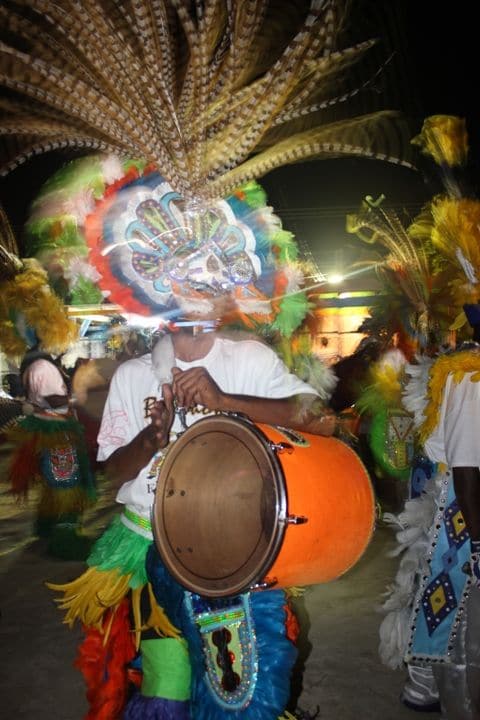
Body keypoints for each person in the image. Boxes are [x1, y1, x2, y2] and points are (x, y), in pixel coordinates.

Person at [47, 309, 340, 720]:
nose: (192, 299)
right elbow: (113, 473)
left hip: (237, 554)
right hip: (149, 551)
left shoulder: (249, 359)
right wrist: (152, 437)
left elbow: (322, 420)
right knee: (166, 686)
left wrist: (224, 401)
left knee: (241, 690)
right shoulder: (135, 375)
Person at [378, 303, 480, 720]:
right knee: (450, 601)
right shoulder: (471, 378)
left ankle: (423, 685)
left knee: (439, 597)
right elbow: (467, 467)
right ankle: (434, 688)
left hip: (463, 498)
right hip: (463, 503)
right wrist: (479, 542)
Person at [5, 349, 96, 558]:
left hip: (50, 430)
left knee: (55, 484)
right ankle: (65, 543)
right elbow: (55, 400)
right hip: (58, 433)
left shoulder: (35, 366)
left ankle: (46, 527)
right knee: (67, 486)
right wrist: (79, 397)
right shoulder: (44, 367)